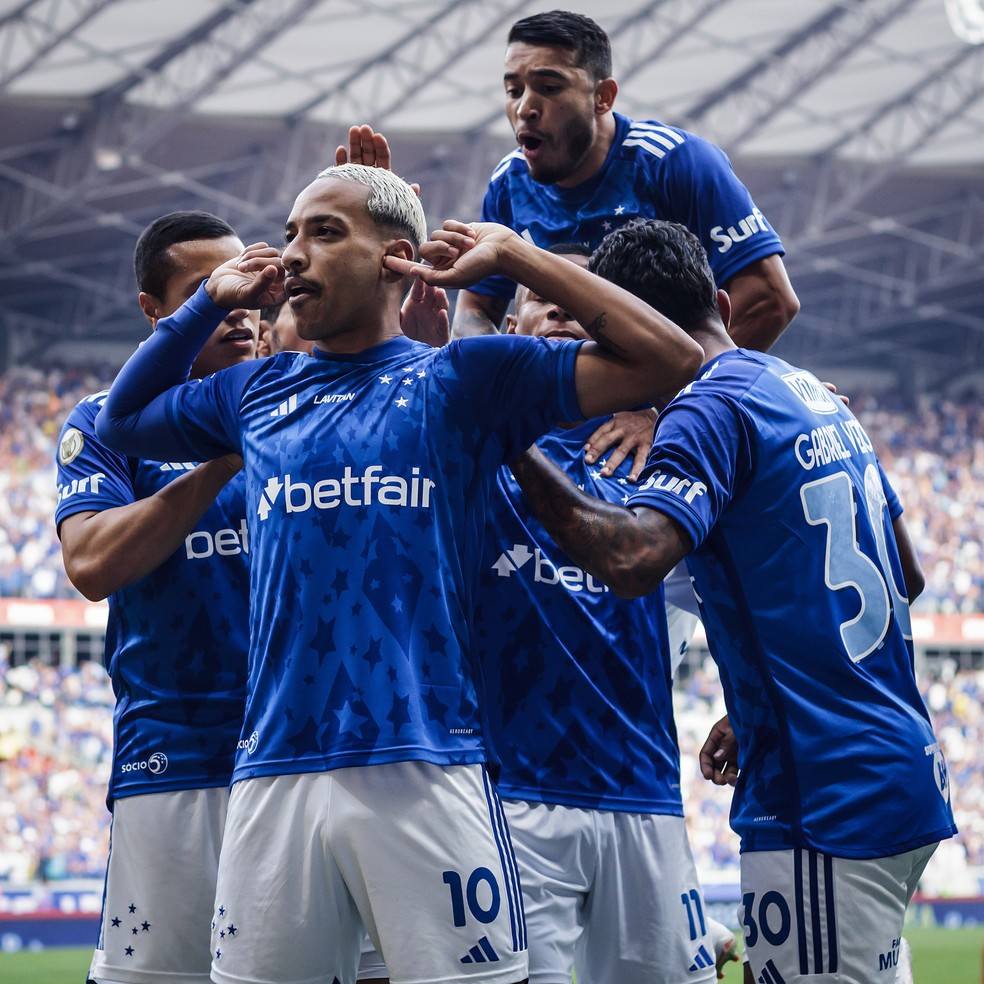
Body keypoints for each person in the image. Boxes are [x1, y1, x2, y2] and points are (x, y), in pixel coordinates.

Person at [93, 163, 703, 984]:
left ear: (396, 257)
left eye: (325, 232)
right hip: (273, 772)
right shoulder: (255, 390)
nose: (293, 254)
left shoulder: (463, 379)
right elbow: (123, 422)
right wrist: (208, 301)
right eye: (292, 231)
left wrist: (519, 256)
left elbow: (670, 357)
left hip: (428, 765)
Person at [509, 218, 956, 984]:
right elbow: (903, 576)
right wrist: (761, 687)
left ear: (629, 338)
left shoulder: (705, 411)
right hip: (899, 763)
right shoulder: (812, 391)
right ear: (718, 298)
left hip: (824, 795)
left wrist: (503, 438)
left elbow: (633, 559)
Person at [475, 242, 736, 983]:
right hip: (513, 800)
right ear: (513, 324)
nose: (560, 303)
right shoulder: (468, 441)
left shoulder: (674, 450)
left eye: (584, 294)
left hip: (645, 798)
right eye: (537, 291)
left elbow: (745, 592)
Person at [54, 210, 256, 984]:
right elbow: (92, 562)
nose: (238, 307)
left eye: (247, 287)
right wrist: (217, 468)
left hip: (305, 750)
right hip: (176, 757)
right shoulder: (106, 426)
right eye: (210, 292)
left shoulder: (295, 401)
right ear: (155, 311)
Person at [453, 10, 798, 351]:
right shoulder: (508, 184)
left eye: (549, 87)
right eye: (514, 90)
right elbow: (476, 309)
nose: (525, 107)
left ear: (602, 97)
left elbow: (768, 300)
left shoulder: (675, 162)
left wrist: (679, 400)